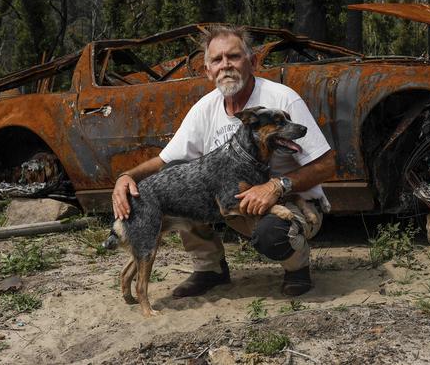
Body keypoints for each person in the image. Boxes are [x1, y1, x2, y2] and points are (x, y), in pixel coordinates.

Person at [111, 26, 335, 297]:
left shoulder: (281, 99)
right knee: (178, 174)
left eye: (234, 57)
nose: (225, 65)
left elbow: (327, 165)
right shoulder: (204, 108)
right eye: (217, 60)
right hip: (237, 205)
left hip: (292, 202)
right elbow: (164, 161)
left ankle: (296, 268)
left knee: (273, 232)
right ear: (207, 71)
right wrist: (127, 177)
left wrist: (278, 186)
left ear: (252, 62)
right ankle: (209, 269)